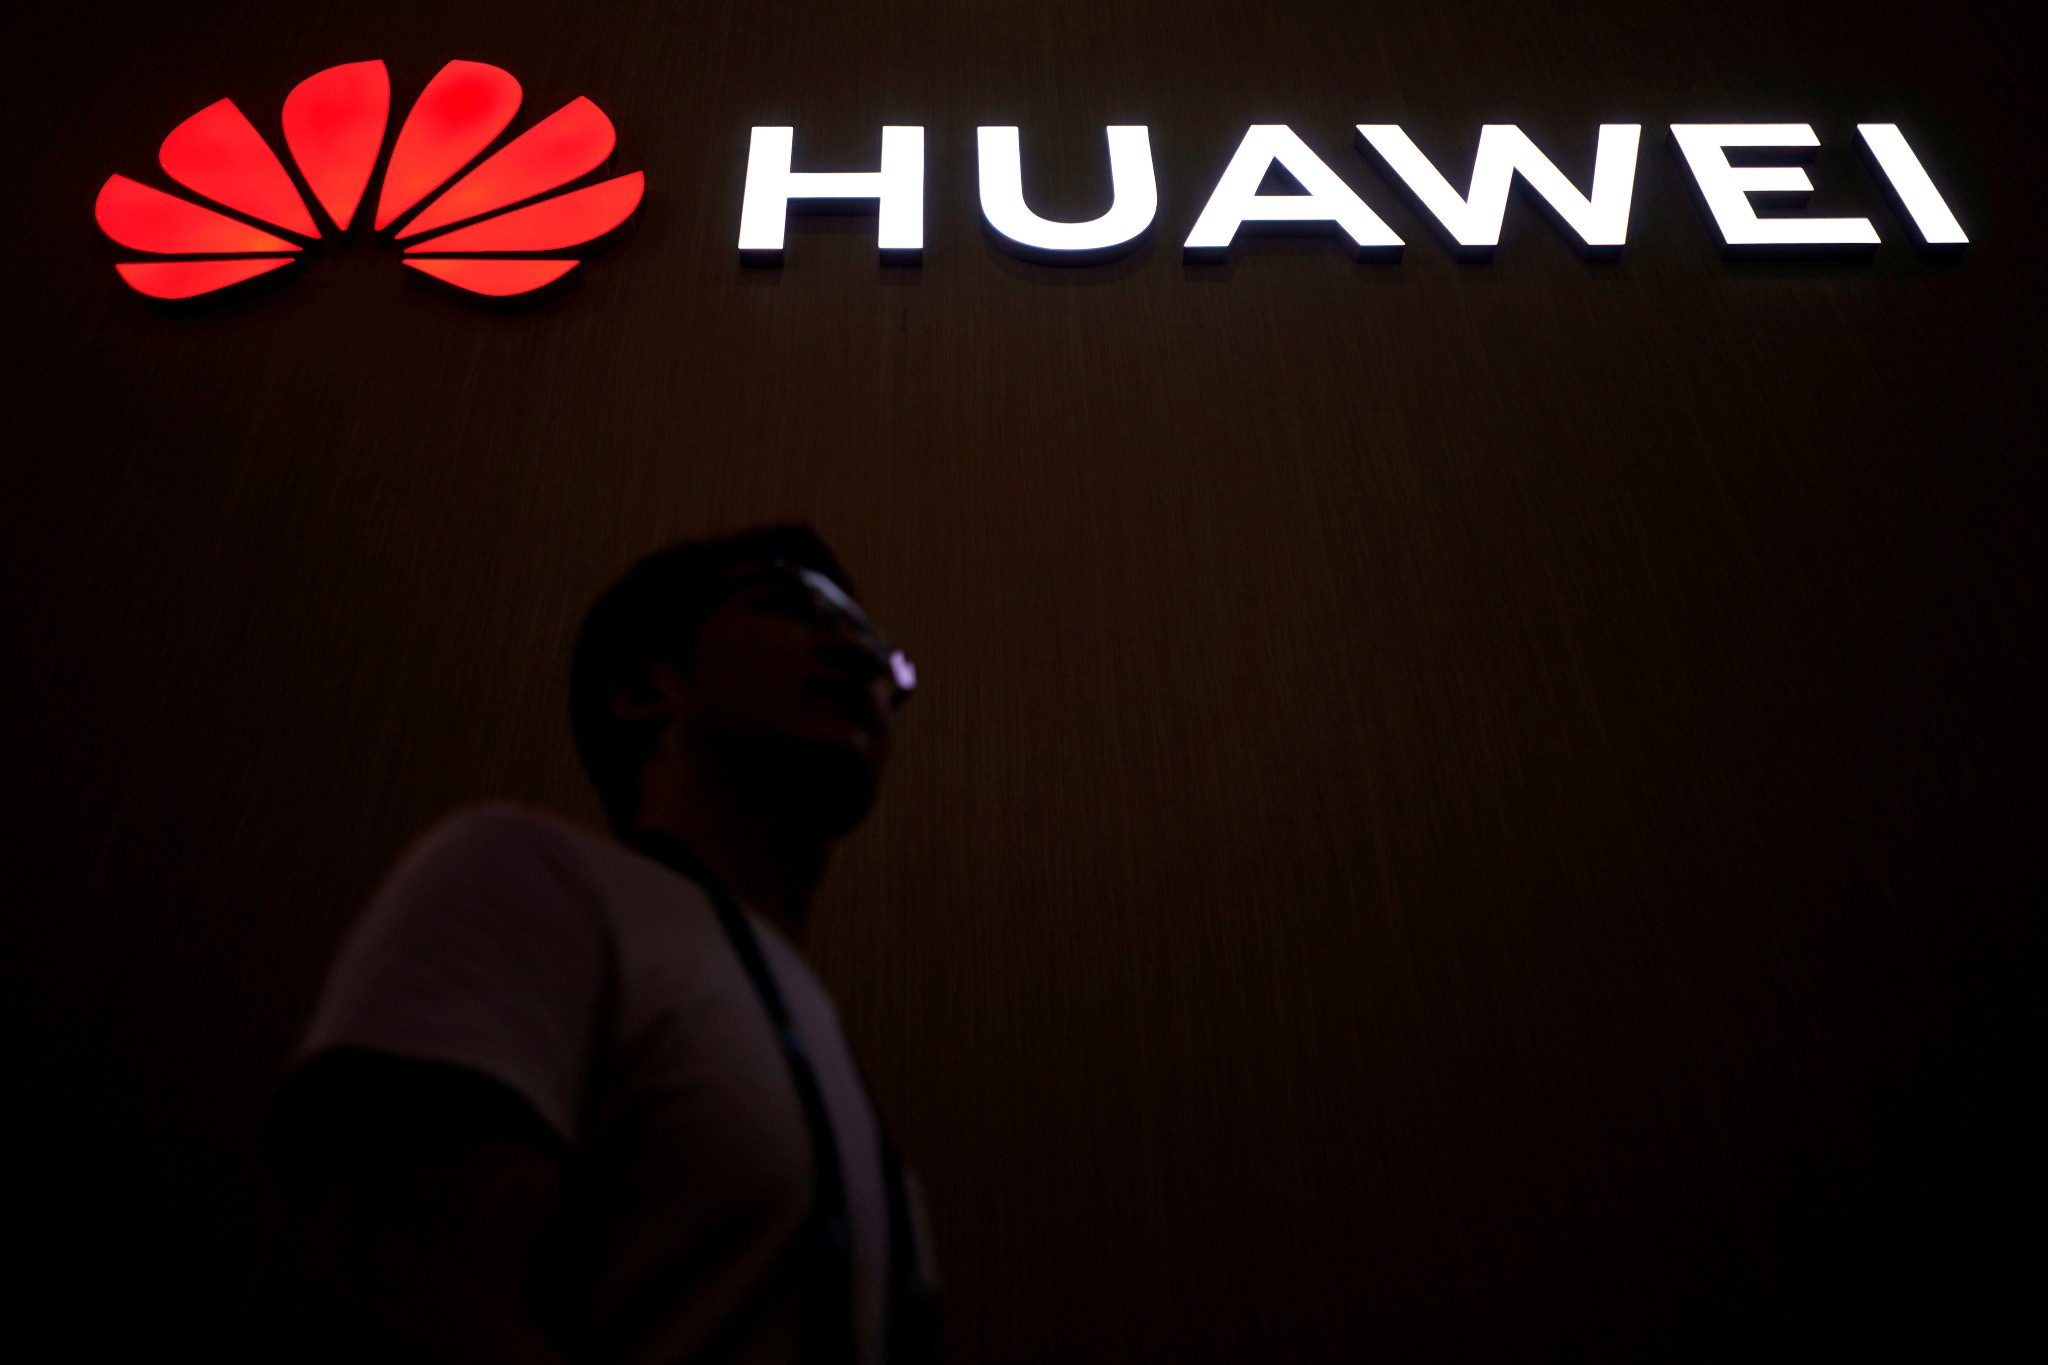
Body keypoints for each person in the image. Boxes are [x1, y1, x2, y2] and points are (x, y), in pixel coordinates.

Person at [268, 526, 938, 1364]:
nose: (860, 656)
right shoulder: (525, 874)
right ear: (644, 691)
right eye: (788, 604)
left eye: (883, 652)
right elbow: (420, 1302)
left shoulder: (826, 1049)